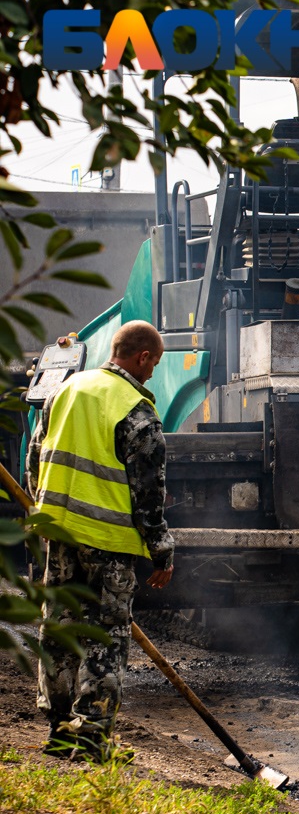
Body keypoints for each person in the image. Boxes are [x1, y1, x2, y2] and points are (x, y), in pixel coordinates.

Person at [27, 320, 175, 762]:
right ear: (142, 357)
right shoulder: (136, 411)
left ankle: (59, 730)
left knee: (58, 627)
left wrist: (43, 507)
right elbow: (148, 493)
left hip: (58, 532)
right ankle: (91, 734)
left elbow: (37, 457)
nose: (151, 375)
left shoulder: (65, 391)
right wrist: (161, 548)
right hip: (108, 541)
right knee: (106, 636)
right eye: (153, 365)